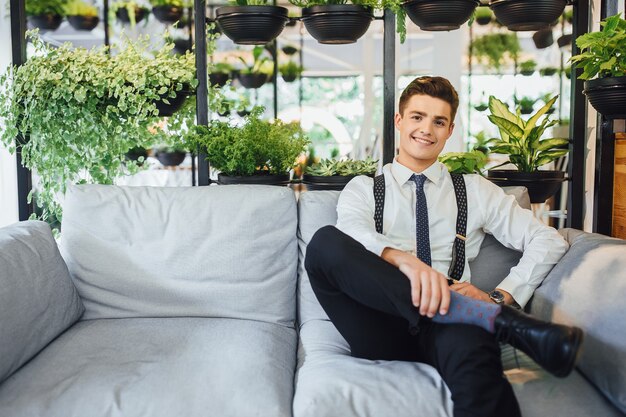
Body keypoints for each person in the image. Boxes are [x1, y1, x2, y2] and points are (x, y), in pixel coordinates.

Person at [304, 76, 582, 417]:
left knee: (477, 365)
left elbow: (548, 239)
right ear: (399, 121)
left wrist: (501, 296)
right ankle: (502, 323)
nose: (426, 129)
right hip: (378, 326)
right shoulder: (363, 189)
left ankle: (487, 314)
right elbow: (352, 235)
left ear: (449, 130)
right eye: (418, 117)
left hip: (450, 329)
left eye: (439, 121)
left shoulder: (475, 190)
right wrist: (407, 262)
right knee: (324, 243)